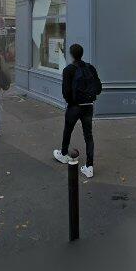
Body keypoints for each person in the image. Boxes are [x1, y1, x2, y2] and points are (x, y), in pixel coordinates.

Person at [53, 43, 102, 178]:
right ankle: (89, 167)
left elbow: (66, 92)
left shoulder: (68, 70)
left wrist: (72, 102)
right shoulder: (90, 68)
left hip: (74, 106)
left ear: (71, 55)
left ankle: (63, 154)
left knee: (68, 130)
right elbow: (98, 88)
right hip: (88, 106)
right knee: (88, 136)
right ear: (82, 54)